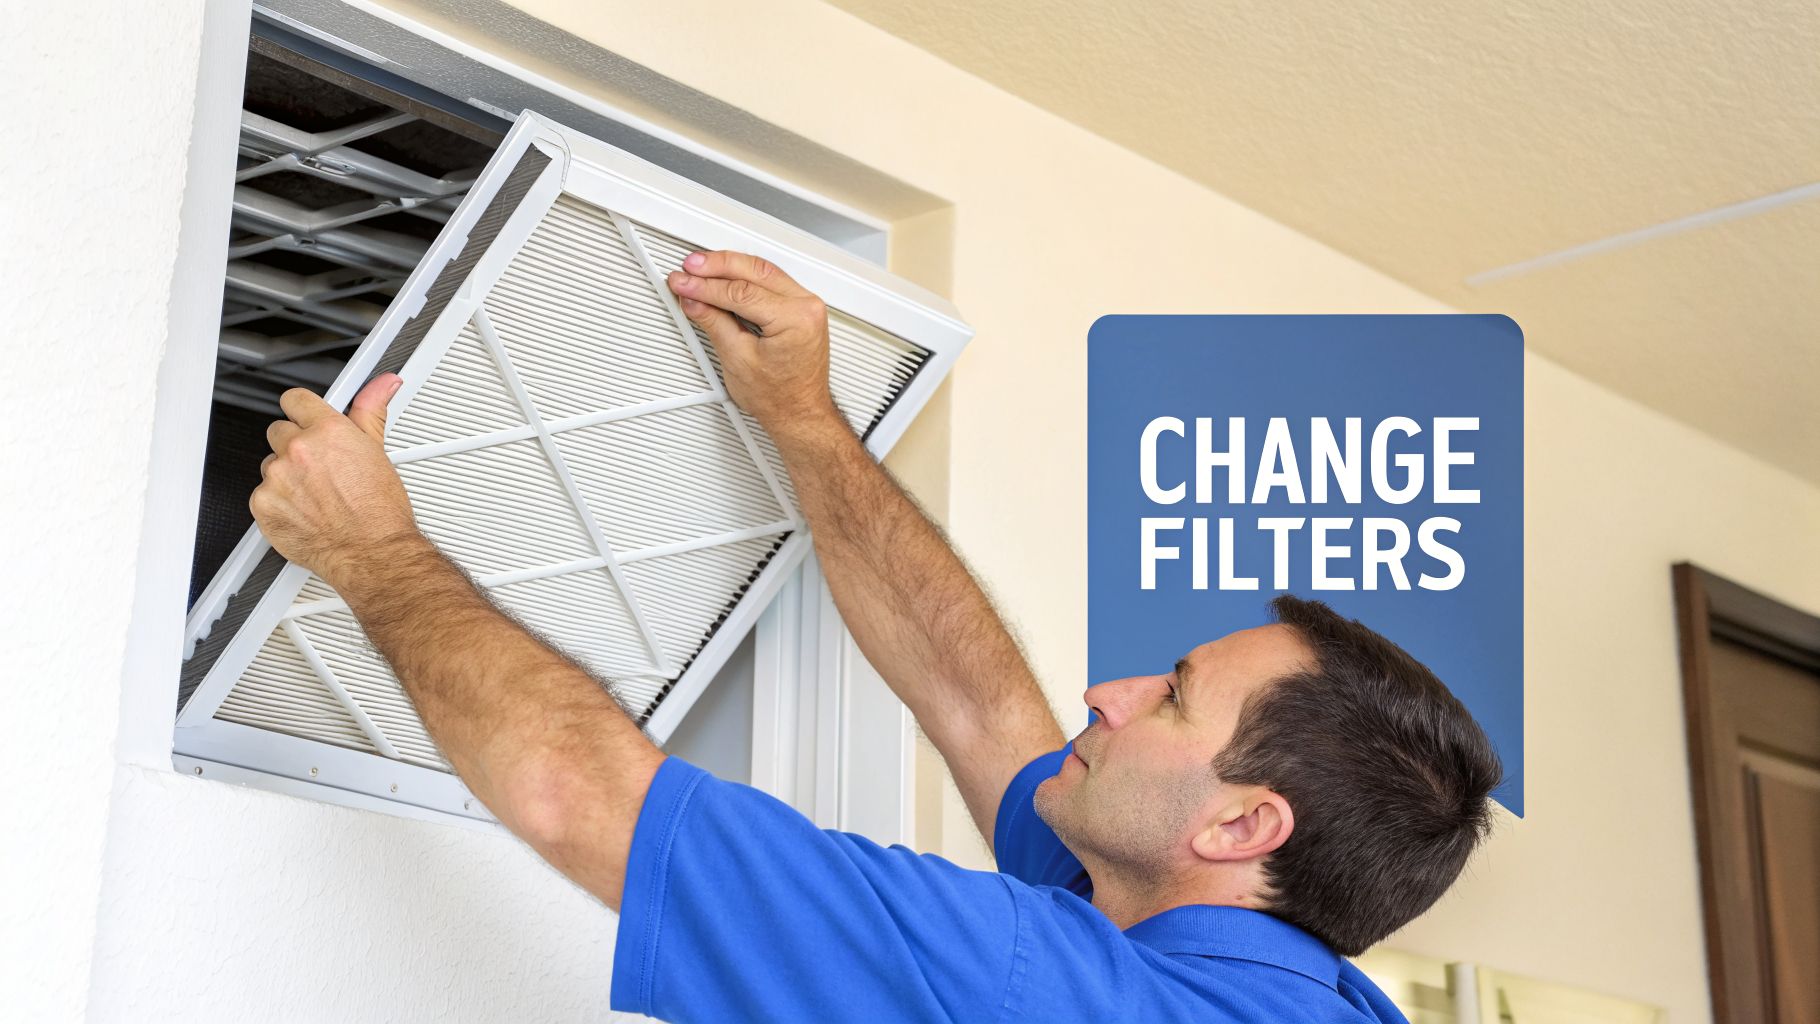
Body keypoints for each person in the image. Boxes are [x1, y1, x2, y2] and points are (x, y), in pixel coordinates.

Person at [250, 250, 1501, 1022]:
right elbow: (978, 710)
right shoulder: (1274, 985)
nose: (1108, 694)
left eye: (1172, 697)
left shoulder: (1035, 984)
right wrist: (806, 422)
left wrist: (370, 552)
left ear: (1237, 828)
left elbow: (577, 798)